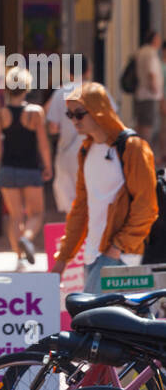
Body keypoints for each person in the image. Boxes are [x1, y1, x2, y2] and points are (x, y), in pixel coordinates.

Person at [51, 82, 159, 292]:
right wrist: (63, 258)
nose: (74, 120)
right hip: (93, 253)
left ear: (98, 111)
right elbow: (81, 208)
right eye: (69, 114)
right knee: (107, 322)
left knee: (91, 318)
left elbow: (146, 206)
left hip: (122, 256)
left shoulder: (133, 147)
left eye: (79, 114)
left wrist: (117, 248)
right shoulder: (86, 150)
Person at [0, 69, 52, 267]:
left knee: (15, 216)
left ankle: (18, 258)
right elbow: (43, 143)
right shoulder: (35, 112)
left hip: (8, 169)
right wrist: (48, 166)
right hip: (30, 169)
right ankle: (27, 237)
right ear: (26, 88)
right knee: (36, 213)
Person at [45, 56, 103, 214]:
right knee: (94, 200)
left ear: (68, 72)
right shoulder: (97, 91)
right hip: (95, 151)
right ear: (88, 70)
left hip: (67, 154)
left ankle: (74, 236)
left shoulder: (60, 93)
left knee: (71, 206)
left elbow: (53, 128)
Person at [134, 30, 164, 152]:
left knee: (141, 123)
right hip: (148, 95)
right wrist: (155, 89)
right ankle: (144, 151)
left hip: (141, 93)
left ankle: (139, 149)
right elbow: (151, 72)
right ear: (154, 39)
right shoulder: (151, 53)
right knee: (147, 125)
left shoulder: (141, 51)